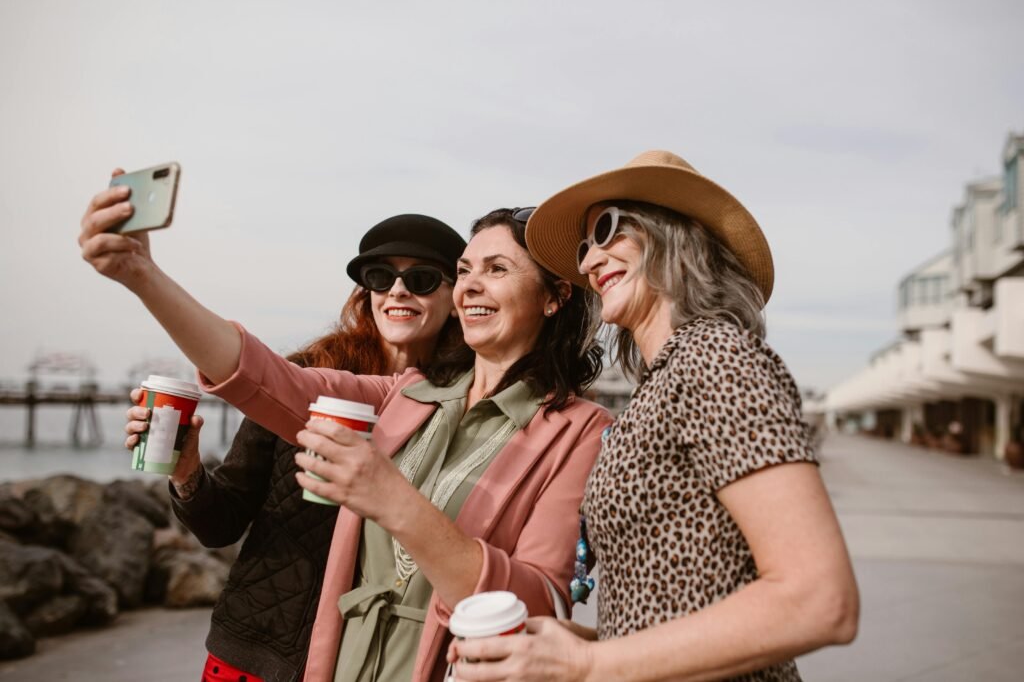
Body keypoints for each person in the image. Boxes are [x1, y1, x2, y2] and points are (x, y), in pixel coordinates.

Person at [79, 183, 611, 682]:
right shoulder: (403, 393)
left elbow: (543, 602)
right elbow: (260, 375)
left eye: (496, 269)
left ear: (554, 296)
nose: (471, 284)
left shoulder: (581, 430)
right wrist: (141, 275)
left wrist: (391, 499)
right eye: (466, 268)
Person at [448, 151, 860, 681]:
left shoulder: (715, 357)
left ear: (675, 234)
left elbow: (821, 600)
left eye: (607, 229)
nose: (591, 261)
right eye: (584, 247)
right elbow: (683, 603)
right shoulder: (662, 381)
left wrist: (589, 664)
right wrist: (576, 643)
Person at [122, 213, 466, 682]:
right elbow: (220, 524)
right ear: (366, 292)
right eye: (381, 277)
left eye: (422, 279)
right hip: (255, 650)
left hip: (377, 663)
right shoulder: (302, 377)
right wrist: (186, 473)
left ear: (455, 297)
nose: (398, 291)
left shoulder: (464, 407)